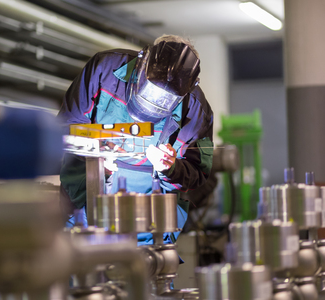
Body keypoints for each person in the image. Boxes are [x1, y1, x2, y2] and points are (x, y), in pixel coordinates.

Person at [58, 34, 214, 245]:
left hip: (150, 225)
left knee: (150, 272)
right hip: (84, 207)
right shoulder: (104, 69)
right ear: (143, 64)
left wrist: (171, 168)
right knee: (82, 269)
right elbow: (65, 130)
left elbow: (199, 173)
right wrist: (96, 153)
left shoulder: (197, 112)